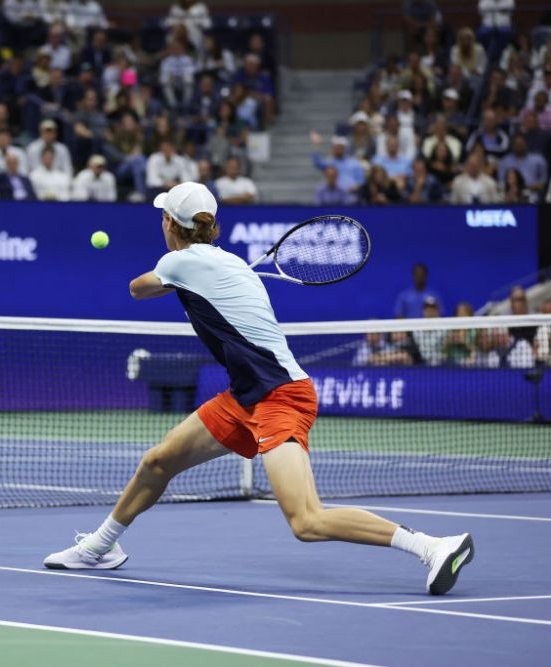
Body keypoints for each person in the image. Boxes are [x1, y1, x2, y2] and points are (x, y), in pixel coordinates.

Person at [43, 182, 474, 596]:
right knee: (158, 462)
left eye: (163, 217)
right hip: (246, 395)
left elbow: (138, 290)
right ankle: (100, 547)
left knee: (306, 521)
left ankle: (431, 547)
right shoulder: (227, 264)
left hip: (280, 396)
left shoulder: (181, 263)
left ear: (172, 225)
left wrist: (178, 272)